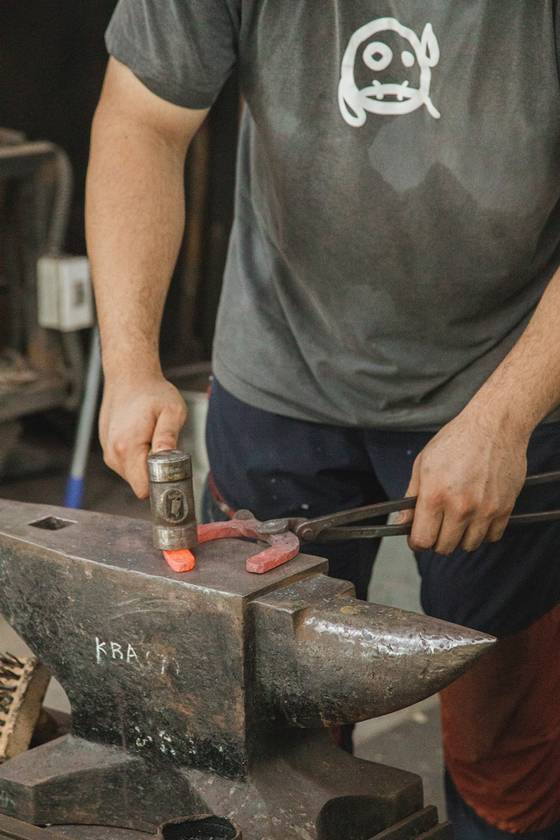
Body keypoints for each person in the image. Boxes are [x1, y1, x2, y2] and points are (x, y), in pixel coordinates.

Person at [86, 3, 560, 838]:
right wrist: (129, 366)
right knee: (271, 746)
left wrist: (506, 415)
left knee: (508, 753)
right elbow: (143, 119)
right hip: (280, 377)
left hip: (511, 378)